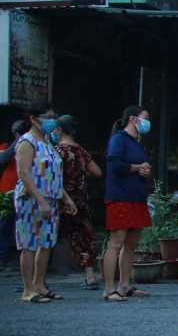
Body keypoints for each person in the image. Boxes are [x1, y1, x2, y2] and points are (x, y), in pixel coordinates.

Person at [14, 102, 76, 302]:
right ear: (34, 119)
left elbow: (53, 174)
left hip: (52, 198)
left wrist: (66, 198)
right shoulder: (27, 142)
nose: (52, 121)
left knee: (46, 242)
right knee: (29, 244)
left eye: (52, 117)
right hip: (31, 198)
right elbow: (24, 173)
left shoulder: (47, 142)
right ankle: (28, 289)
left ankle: (40, 284)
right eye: (47, 117)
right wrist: (41, 201)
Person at [103, 106, 154, 301]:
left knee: (131, 245)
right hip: (120, 197)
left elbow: (136, 168)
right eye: (145, 117)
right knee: (116, 243)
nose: (147, 122)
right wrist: (138, 167)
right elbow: (116, 165)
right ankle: (109, 288)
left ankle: (125, 285)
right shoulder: (118, 139)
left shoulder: (136, 143)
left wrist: (144, 172)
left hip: (137, 197)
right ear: (133, 119)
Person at [55, 115, 103, 289]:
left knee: (48, 238)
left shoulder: (57, 151)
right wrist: (79, 172)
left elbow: (53, 176)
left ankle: (36, 279)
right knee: (82, 237)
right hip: (80, 199)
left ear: (59, 130)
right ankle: (90, 276)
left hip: (59, 199)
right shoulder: (80, 151)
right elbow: (97, 172)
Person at [0, 120, 29, 269]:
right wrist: (18, 141)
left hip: (26, 190)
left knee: (25, 224)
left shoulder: (33, 145)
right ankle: (3, 256)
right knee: (4, 225)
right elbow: (2, 159)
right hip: (8, 190)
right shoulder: (6, 146)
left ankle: (24, 257)